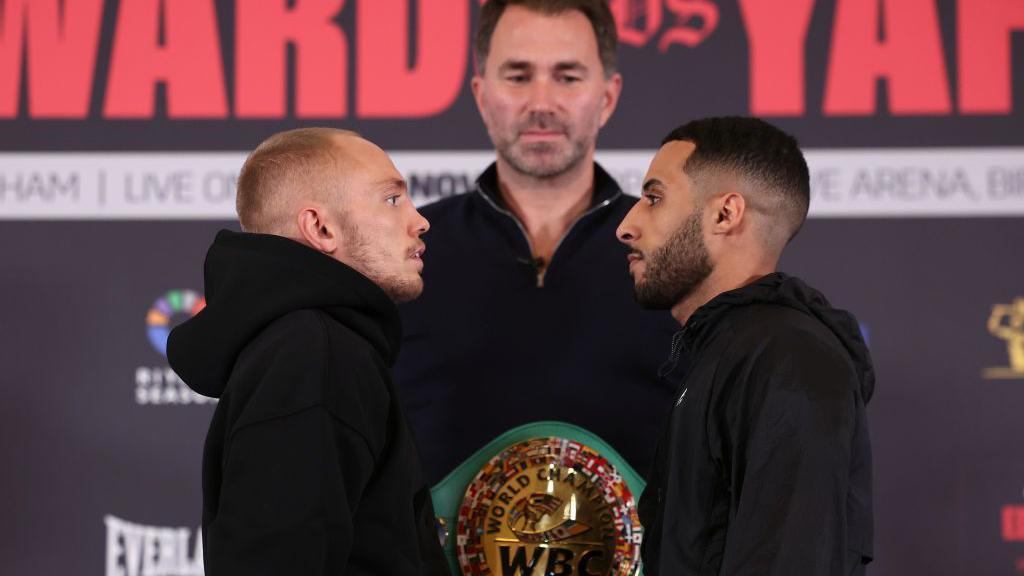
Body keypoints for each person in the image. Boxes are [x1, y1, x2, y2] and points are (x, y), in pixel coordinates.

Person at [395, 0, 678, 483]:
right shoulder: (403, 249)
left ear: (607, 97)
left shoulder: (677, 249)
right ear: (482, 95)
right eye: (518, 76)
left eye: (567, 77)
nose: (542, 103)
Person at [167, 128, 448, 575]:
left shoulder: (312, 344)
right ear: (320, 228)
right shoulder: (314, 353)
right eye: (392, 200)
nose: (420, 220)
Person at [617, 117, 874, 575]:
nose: (627, 225)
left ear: (724, 214)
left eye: (654, 198)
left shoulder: (789, 360)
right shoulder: (732, 352)